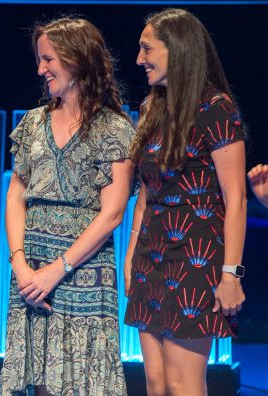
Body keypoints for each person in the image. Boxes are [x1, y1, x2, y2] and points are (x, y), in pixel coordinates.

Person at [0, 17, 135, 395]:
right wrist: (21, 264)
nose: (40, 69)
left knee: (82, 382)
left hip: (84, 273)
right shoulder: (32, 123)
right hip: (32, 271)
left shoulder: (114, 129)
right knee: (40, 381)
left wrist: (57, 271)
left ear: (76, 59)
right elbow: (15, 196)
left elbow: (112, 213)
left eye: (48, 59)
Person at [124, 9, 247, 396]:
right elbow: (146, 192)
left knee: (182, 383)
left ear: (176, 50)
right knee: (156, 384)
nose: (139, 59)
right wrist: (130, 254)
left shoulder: (216, 108)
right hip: (151, 257)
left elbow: (236, 198)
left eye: (147, 49)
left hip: (196, 259)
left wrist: (231, 274)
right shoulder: (152, 109)